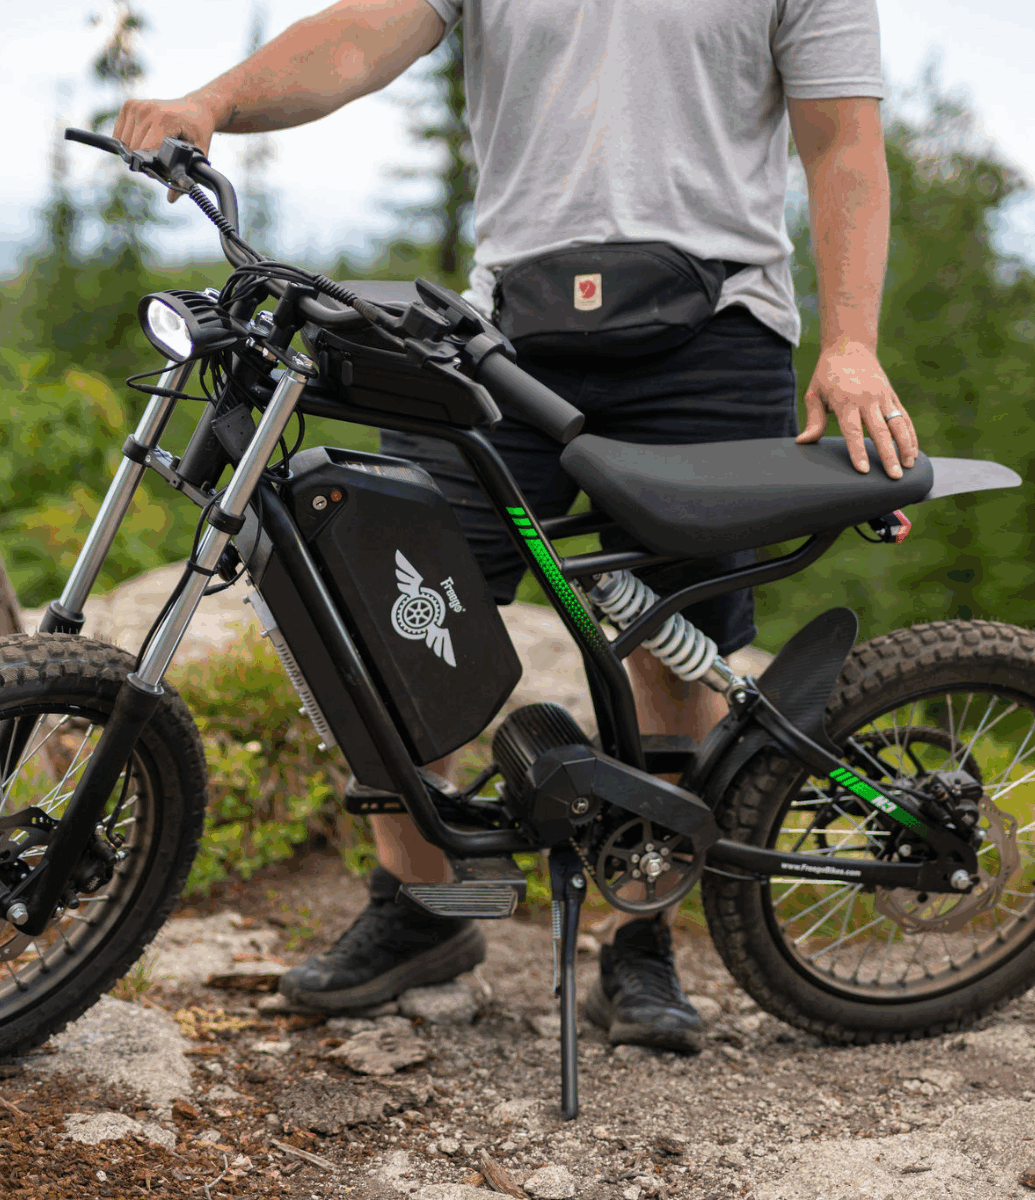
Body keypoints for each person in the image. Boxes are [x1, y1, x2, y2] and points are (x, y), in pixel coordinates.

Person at [115, 0, 919, 1053]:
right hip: (504, 333)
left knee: (671, 635)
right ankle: (425, 906)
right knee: (382, 600)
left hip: (720, 332)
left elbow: (843, 141)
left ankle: (640, 941)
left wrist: (852, 342)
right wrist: (213, 102)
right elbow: (361, 36)